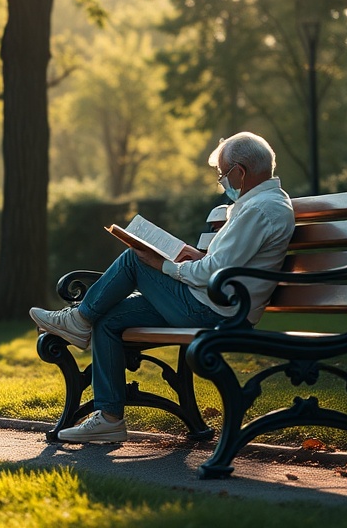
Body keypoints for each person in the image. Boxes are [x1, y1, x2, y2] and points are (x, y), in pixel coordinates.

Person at [30, 132, 295, 443]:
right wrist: (194, 256)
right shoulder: (259, 205)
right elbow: (222, 263)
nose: (222, 181)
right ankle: (109, 417)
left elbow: (211, 273)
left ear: (240, 172)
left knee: (135, 259)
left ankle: (78, 319)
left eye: (223, 175)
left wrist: (163, 264)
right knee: (110, 319)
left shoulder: (260, 210)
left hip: (214, 311)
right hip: (208, 301)